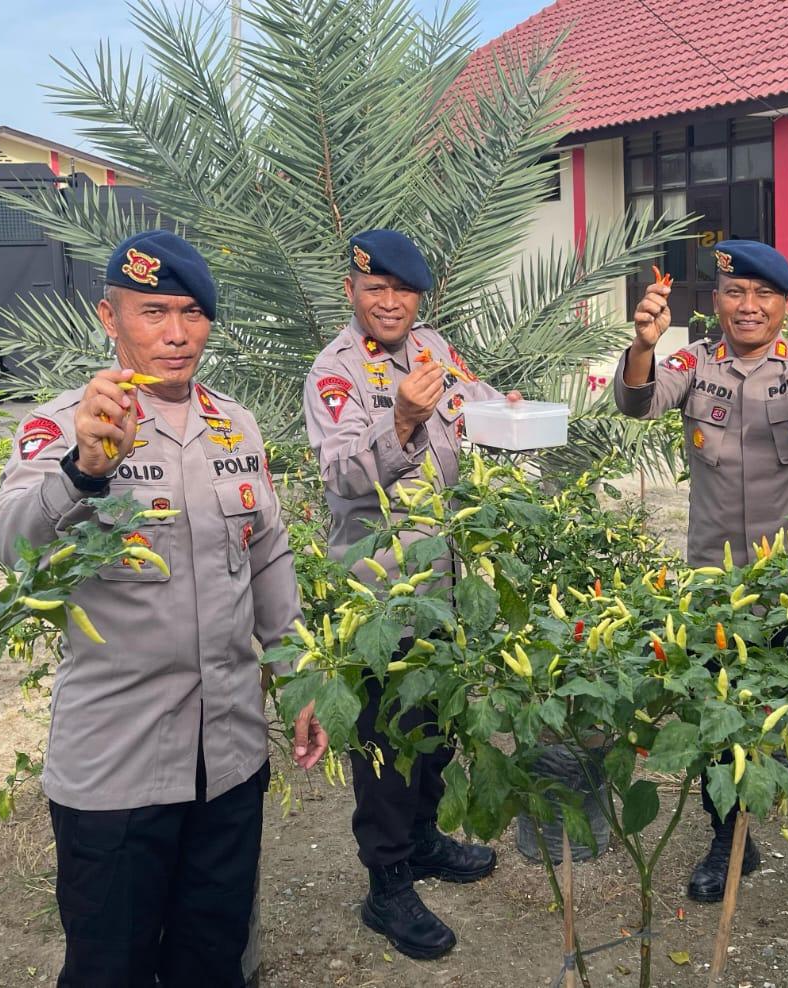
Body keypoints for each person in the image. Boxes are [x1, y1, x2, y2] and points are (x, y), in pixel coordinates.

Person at [0, 230, 327, 987]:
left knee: (213, 957)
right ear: (110, 319)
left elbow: (266, 558)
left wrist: (299, 677)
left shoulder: (235, 425)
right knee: (110, 967)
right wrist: (82, 473)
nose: (176, 335)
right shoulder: (69, 426)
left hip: (231, 757)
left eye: (191, 314)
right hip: (118, 765)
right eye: (152, 313)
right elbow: (10, 548)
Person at [612, 239, 788, 927]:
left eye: (765, 295)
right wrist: (644, 342)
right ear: (716, 301)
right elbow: (640, 400)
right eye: (736, 292)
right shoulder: (694, 364)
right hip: (716, 589)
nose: (749, 305)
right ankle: (729, 837)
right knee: (719, 721)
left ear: (787, 306)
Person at [304, 229, 519, 960]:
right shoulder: (335, 373)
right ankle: (387, 882)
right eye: (376, 289)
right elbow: (339, 478)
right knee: (386, 740)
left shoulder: (434, 346)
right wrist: (400, 421)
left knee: (434, 727)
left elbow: (474, 400)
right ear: (352, 291)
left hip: (445, 582)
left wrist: (505, 408)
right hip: (382, 597)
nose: (390, 302)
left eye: (403, 291)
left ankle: (424, 841)